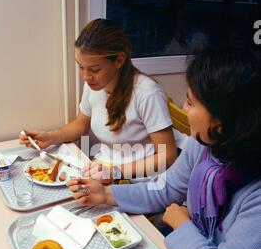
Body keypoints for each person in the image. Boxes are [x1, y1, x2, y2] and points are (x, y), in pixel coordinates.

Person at [67, 47, 261, 249]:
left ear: (221, 122)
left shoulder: (254, 194)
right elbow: (167, 189)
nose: (183, 108)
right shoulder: (204, 145)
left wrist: (181, 224)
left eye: (191, 102)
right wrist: (105, 195)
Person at [19, 18, 181, 182]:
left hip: (140, 181)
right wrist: (51, 137)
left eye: (94, 69)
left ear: (119, 60)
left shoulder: (147, 94)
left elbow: (167, 156)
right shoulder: (93, 85)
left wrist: (114, 172)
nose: (86, 77)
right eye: (81, 67)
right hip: (104, 170)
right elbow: (81, 124)